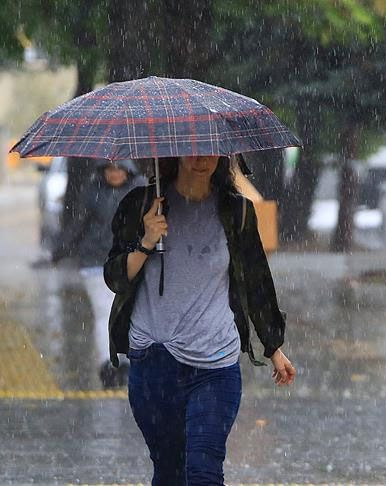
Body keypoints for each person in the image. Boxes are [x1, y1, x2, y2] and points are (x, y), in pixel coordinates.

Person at [103, 155, 296, 485]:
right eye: (191, 148)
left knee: (204, 471)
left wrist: (273, 345)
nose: (201, 158)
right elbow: (115, 278)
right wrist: (147, 240)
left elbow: (256, 280)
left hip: (215, 364)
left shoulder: (237, 211)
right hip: (153, 361)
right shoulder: (141, 205)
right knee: (169, 472)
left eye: (210, 149)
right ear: (173, 152)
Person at [52, 159, 144, 388]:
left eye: (119, 169)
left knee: (128, 314)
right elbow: (78, 224)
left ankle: (125, 363)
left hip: (129, 262)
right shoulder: (91, 192)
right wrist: (60, 250)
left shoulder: (141, 191)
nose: (114, 174)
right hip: (96, 263)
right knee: (105, 314)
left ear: (128, 170)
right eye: (110, 169)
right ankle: (109, 365)